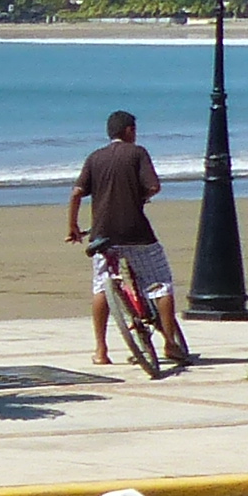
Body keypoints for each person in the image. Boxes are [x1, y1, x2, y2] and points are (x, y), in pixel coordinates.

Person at [65, 109, 192, 368]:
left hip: (103, 235)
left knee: (101, 286)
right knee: (160, 283)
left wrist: (73, 227)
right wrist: (141, 198)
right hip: (137, 233)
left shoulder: (95, 157)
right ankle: (170, 344)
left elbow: (76, 193)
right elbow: (154, 186)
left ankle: (101, 350)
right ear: (129, 130)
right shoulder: (137, 153)